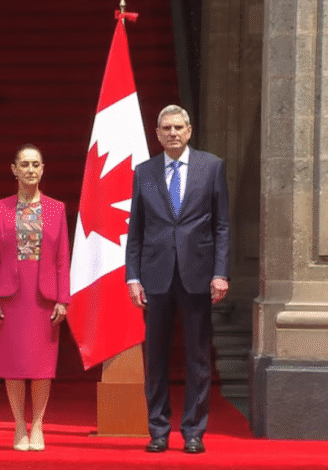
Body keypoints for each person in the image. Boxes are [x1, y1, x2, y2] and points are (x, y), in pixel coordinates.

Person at [125, 105, 230, 454]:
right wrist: (133, 276)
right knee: (155, 357)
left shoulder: (211, 166)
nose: (172, 133)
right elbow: (135, 230)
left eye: (178, 127)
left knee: (198, 357)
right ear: (157, 133)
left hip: (197, 275)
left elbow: (221, 225)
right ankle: (157, 430)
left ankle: (194, 431)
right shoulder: (144, 172)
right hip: (155, 276)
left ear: (189, 130)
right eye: (166, 128)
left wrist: (220, 272)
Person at [0, 144, 70, 451]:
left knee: (42, 366)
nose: (30, 170)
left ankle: (38, 426)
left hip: (44, 297)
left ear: (43, 169)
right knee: (15, 365)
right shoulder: (0, 208)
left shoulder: (56, 208)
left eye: (36, 164)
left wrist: (63, 298)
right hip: (11, 296)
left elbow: (62, 257)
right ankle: (19, 425)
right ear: (14, 169)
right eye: (25, 164)